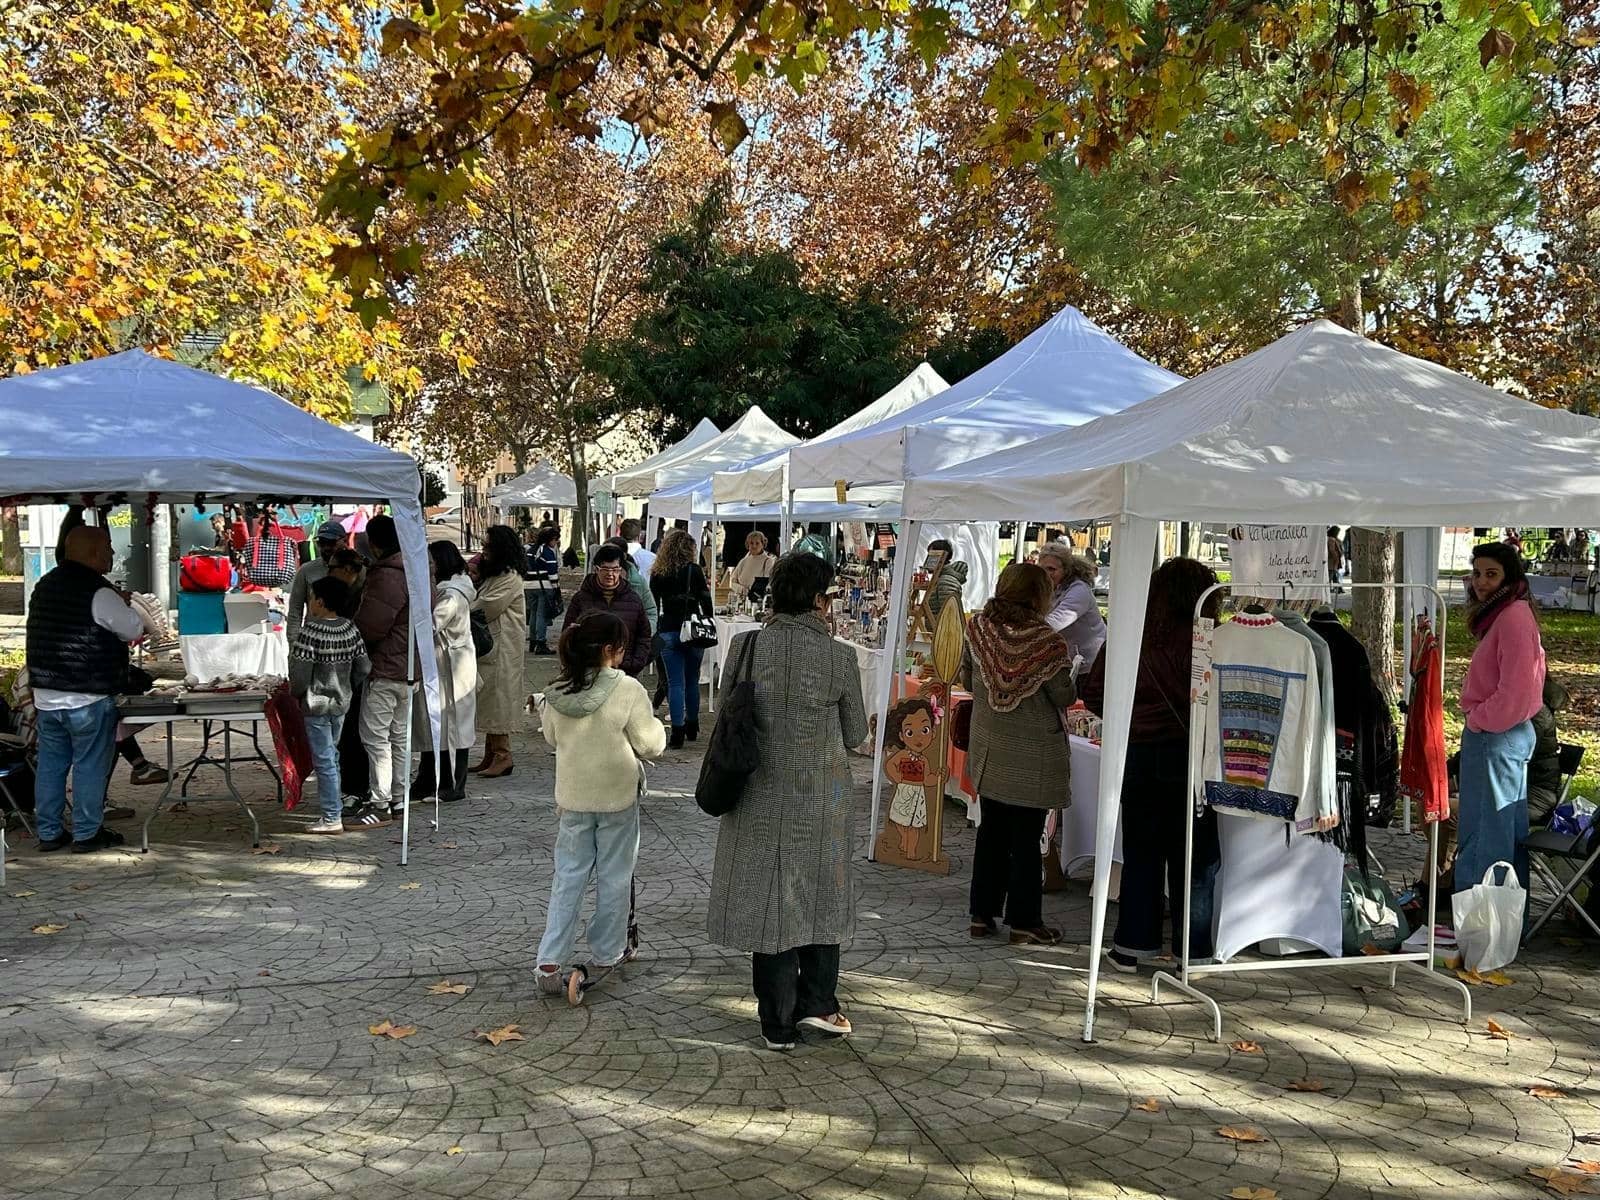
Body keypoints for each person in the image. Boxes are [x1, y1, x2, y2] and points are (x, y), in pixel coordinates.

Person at [706, 552, 869, 1051]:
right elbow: (855, 732)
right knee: (821, 892)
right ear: (820, 600)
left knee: (771, 904)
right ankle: (819, 1002)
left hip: (756, 791)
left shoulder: (747, 646)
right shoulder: (840, 657)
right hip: (820, 797)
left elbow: (728, 705)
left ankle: (776, 1022)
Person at [1080, 557, 1223, 970]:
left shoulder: (1129, 635)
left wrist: (1133, 717)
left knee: (1141, 853)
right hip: (1190, 758)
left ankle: (1132, 946)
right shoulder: (1206, 640)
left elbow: (1094, 693)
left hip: (1139, 754)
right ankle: (1191, 951)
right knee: (1195, 857)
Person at [533, 612, 667, 1004]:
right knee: (614, 875)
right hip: (617, 797)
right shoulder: (627, 689)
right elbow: (649, 743)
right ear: (610, 651)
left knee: (568, 877)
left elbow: (552, 738)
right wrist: (658, 729)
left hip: (574, 797)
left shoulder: (558, 690)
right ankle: (607, 950)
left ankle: (549, 959)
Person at [959, 562, 1077, 944]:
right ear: (1039, 595)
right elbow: (1063, 694)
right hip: (1032, 755)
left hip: (991, 747)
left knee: (990, 831)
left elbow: (966, 679)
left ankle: (982, 914)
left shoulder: (979, 629)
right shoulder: (1046, 642)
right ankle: (1025, 921)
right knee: (1026, 838)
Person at [27, 526, 145, 853]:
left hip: (47, 693)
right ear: (93, 553)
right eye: (108, 547)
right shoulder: (98, 591)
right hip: (87, 693)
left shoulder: (45, 585)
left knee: (51, 765)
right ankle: (86, 833)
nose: (112, 553)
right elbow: (132, 628)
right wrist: (124, 603)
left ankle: (49, 833)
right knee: (89, 763)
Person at [1455, 542, 1546, 892]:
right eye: (1477, 573)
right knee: (1502, 833)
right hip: (1501, 732)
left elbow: (1518, 691)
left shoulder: (1513, 617)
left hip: (1497, 734)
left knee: (1485, 832)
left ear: (1510, 576)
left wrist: (1479, 718)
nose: (1481, 582)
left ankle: (1479, 925)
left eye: (1491, 574)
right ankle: (1501, 926)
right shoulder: (1507, 614)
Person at [289, 576, 371, 834]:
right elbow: (364, 666)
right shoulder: (350, 629)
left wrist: (299, 693)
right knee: (332, 757)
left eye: (312, 598)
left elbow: (299, 674)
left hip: (315, 705)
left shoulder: (309, 632)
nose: (310, 602)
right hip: (341, 703)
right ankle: (333, 808)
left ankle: (331, 816)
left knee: (324, 760)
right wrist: (347, 685)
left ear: (320, 602)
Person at [352, 514, 410, 827]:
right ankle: (398, 798)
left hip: (386, 666)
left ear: (375, 544)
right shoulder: (417, 570)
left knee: (377, 738)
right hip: (407, 666)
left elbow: (371, 625)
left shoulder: (388, 575)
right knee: (399, 737)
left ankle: (381, 801)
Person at [412, 541, 477, 803]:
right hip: (443, 665)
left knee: (453, 727)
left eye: (431, 561)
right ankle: (428, 780)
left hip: (451, 667)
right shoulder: (454, 588)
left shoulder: (451, 594)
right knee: (434, 724)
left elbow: (430, 625)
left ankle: (451, 784)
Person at [469, 525, 529, 780]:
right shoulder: (496, 575)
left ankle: (503, 755)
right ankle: (491, 753)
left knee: (498, 703)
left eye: (487, 546)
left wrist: (463, 606)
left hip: (503, 650)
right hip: (495, 648)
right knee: (490, 702)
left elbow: (487, 607)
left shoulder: (509, 578)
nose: (484, 551)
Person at [649, 528, 715, 748]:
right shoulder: (694, 571)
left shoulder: (657, 573)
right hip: (693, 630)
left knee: (674, 682)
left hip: (668, 628)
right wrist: (708, 619)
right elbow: (706, 601)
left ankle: (676, 731)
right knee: (692, 681)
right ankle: (692, 724)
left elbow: (654, 603)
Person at [563, 544, 653, 677]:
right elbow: (567, 632)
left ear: (621, 570)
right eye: (605, 569)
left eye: (615, 569)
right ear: (596, 569)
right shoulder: (581, 598)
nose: (610, 574)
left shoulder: (633, 599)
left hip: (625, 671)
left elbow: (644, 635)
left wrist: (636, 663)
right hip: (589, 672)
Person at [1037, 541, 1106, 671]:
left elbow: (1054, 622)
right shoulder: (1051, 587)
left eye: (1052, 569)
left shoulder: (1079, 590)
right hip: (1068, 659)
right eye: (1042, 569)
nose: (1046, 574)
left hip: (1090, 664)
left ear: (1066, 570)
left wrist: (1020, 635)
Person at [287, 520, 347, 643]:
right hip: (313, 640)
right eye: (321, 543)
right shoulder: (306, 570)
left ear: (344, 541)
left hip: (345, 642)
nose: (326, 548)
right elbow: (295, 609)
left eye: (331, 543)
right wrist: (294, 642)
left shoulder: (358, 571)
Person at [605, 536, 659, 630]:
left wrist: (645, 634)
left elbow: (650, 611)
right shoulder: (592, 582)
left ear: (624, 556)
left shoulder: (638, 582)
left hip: (632, 640)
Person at [525, 525, 561, 655]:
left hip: (529, 585)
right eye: (555, 540)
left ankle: (533, 640)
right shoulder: (547, 552)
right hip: (544, 586)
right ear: (550, 540)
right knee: (542, 615)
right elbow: (552, 572)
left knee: (533, 613)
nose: (556, 543)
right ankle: (541, 642)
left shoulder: (530, 550)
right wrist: (556, 589)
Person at [727, 531, 778, 601]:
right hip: (741, 600)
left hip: (757, 601)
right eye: (751, 543)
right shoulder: (743, 561)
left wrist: (750, 590)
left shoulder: (768, 561)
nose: (754, 546)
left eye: (757, 543)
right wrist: (741, 589)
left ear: (763, 544)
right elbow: (732, 581)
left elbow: (767, 584)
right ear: (748, 545)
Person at [926, 537, 969, 617]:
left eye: (932, 556)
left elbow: (949, 613)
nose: (928, 560)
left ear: (941, 557)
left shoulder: (946, 581)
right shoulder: (940, 579)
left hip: (942, 629)